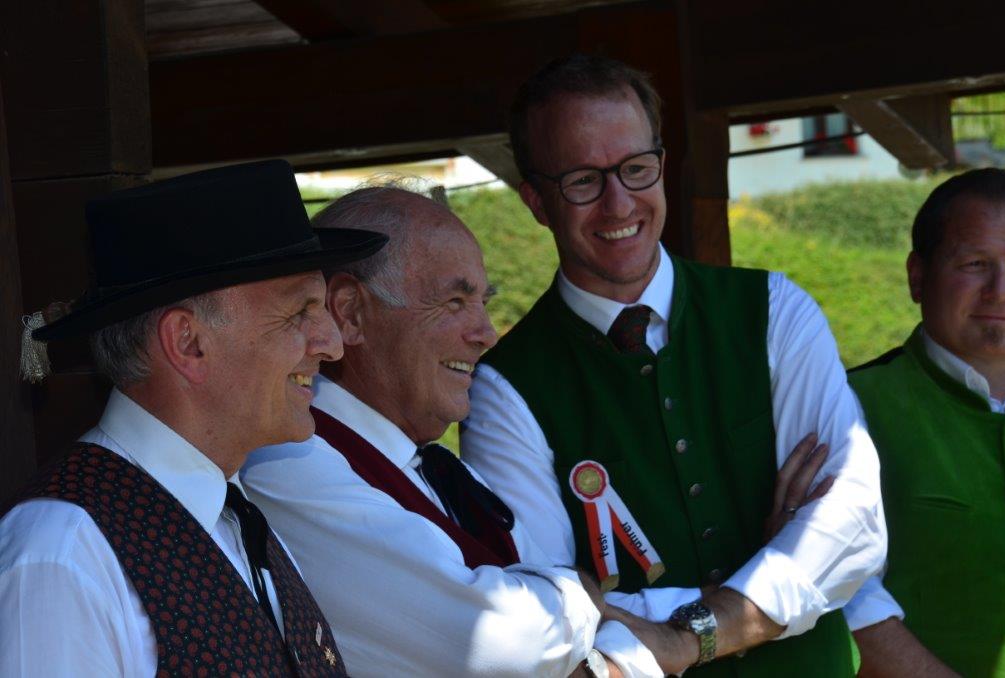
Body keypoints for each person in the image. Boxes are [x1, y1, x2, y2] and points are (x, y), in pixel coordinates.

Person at [242, 185, 830, 677]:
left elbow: (551, 617)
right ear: (350, 313)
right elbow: (499, 641)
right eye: (455, 302)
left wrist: (713, 616)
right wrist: (584, 603)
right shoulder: (289, 462)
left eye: (483, 302)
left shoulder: (439, 471)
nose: (486, 333)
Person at [460, 54, 887, 675]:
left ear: (661, 164)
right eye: (582, 180)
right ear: (536, 201)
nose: (618, 203)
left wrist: (682, 634)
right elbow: (548, 608)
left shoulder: (775, 309)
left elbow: (852, 525)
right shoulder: (504, 386)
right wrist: (771, 578)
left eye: (636, 168)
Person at [0, 160, 386, 676]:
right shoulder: (61, 555)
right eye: (299, 312)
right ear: (188, 343)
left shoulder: (236, 518)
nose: (332, 345)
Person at [843, 168, 1005, 677]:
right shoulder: (848, 407)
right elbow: (837, 588)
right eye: (975, 264)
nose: (1001, 291)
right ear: (917, 276)